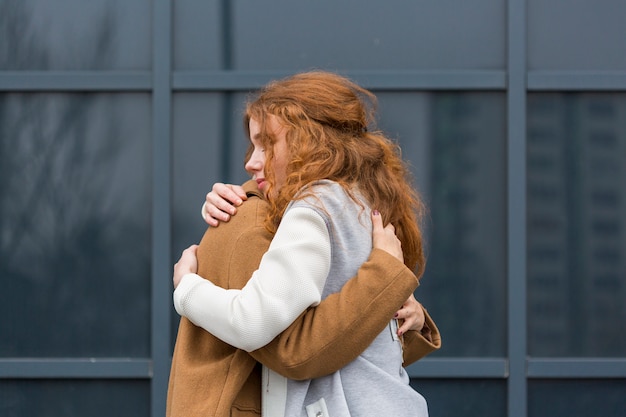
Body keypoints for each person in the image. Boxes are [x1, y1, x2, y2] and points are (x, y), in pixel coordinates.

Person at [172, 71, 438, 417]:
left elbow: (257, 324)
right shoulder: (362, 203)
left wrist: (186, 288)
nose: (250, 161)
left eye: (267, 144)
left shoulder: (314, 208)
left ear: (310, 142)